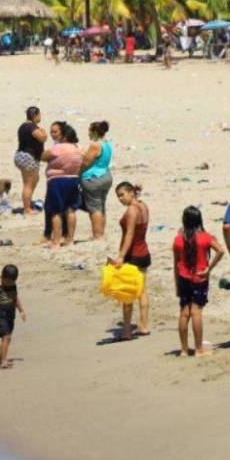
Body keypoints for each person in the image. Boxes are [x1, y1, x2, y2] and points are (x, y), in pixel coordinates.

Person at [173, 205, 224, 356]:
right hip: (199, 278)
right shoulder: (205, 237)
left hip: (183, 278)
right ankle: (198, 349)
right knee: (196, 312)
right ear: (199, 220)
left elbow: (176, 264)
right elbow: (220, 251)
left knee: (184, 312)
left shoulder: (178, 240)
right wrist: (210, 268)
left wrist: (176, 284)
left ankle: (183, 349)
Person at [111, 182, 150, 340]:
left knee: (127, 294)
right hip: (144, 252)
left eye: (122, 194)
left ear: (131, 193)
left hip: (133, 255)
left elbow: (129, 234)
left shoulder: (132, 210)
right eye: (118, 196)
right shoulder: (143, 205)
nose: (120, 199)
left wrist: (121, 256)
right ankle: (144, 325)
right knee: (141, 291)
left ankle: (126, 331)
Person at [41, 122, 82, 247]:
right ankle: (70, 239)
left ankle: (56, 240)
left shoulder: (57, 148)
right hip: (73, 179)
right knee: (71, 210)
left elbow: (43, 156)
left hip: (57, 180)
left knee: (56, 211)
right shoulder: (77, 149)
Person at [0, 264, 26, 369]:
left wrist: (21, 310)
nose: (8, 284)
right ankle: (3, 361)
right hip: (0, 315)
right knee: (6, 337)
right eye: (6, 281)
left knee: (7, 338)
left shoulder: (13, 286)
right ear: (1, 277)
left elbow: (15, 298)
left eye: (11, 282)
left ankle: (1, 358)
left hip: (11, 316)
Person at [80, 121, 113, 240]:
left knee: (94, 207)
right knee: (101, 205)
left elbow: (85, 163)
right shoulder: (107, 144)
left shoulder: (95, 145)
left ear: (94, 132)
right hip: (106, 175)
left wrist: (77, 173)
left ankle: (97, 235)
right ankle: (101, 233)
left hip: (93, 177)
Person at [14, 106, 47, 216]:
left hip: (22, 156)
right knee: (28, 184)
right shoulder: (31, 127)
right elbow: (42, 138)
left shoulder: (23, 126)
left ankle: (27, 202)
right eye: (39, 115)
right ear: (35, 115)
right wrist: (43, 132)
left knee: (34, 179)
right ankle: (27, 209)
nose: (40, 117)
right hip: (28, 157)